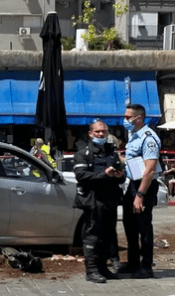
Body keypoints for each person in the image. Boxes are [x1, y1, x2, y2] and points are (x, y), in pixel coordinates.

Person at [73, 119, 125, 283]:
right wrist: (104, 174)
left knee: (108, 235)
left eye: (103, 131)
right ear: (90, 133)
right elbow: (81, 176)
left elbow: (119, 173)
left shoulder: (111, 151)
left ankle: (103, 268)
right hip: (93, 200)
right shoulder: (83, 153)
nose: (101, 134)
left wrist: (119, 175)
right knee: (92, 235)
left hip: (110, 199)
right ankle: (92, 270)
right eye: (97, 132)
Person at [119, 104, 161, 278]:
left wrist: (140, 195)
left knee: (144, 227)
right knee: (129, 225)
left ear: (139, 117)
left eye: (129, 117)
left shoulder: (149, 138)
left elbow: (149, 170)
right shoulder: (134, 136)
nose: (125, 120)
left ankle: (146, 266)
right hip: (132, 184)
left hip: (145, 187)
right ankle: (133, 262)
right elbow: (133, 162)